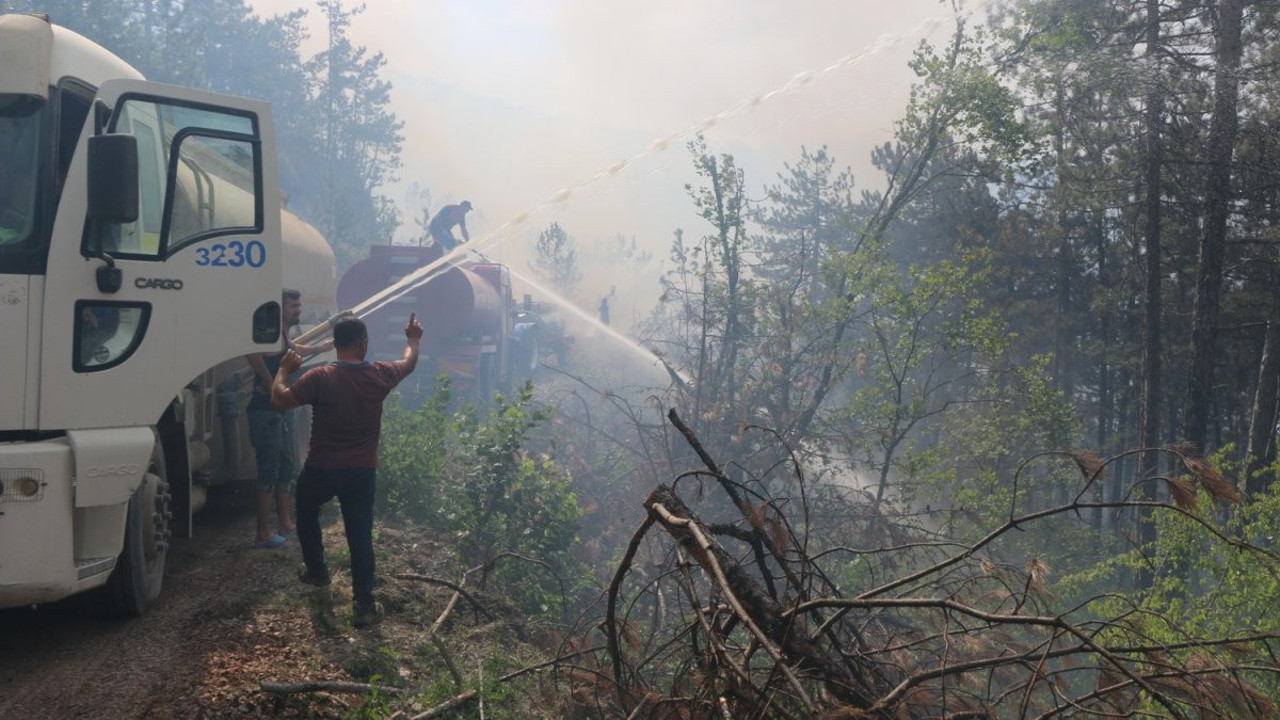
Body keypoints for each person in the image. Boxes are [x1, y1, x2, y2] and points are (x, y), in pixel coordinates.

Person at [271, 313, 422, 628]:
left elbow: (279, 400)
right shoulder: (379, 374)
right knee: (360, 537)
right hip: (361, 472)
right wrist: (413, 338)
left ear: (336, 344)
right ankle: (364, 607)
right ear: (363, 344)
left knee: (307, 510)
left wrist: (283, 370)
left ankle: (317, 571)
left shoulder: (320, 377)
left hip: (321, 468)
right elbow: (408, 363)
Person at [245, 289, 332, 548]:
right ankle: (263, 532)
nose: (298, 310)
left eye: (299, 305)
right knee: (269, 469)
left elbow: (294, 349)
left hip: (278, 409)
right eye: (293, 305)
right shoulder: (264, 332)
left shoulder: (281, 334)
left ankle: (284, 522)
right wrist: (269, 381)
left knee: (285, 465)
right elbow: (251, 352)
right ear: (280, 308)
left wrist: (322, 347)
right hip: (265, 410)